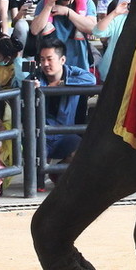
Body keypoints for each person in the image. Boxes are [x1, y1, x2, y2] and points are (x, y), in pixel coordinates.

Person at [34, 36, 96, 179]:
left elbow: (91, 79)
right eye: (42, 59)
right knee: (36, 177)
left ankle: (56, 173)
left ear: (62, 60)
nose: (45, 64)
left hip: (66, 134)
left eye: (50, 59)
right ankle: (38, 181)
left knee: (84, 150)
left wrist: (60, 85)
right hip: (43, 134)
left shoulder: (74, 73)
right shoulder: (36, 77)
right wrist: (35, 89)